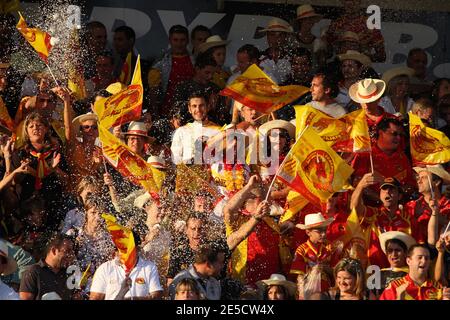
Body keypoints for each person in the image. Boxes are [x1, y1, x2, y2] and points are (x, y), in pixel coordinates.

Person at [224, 175, 278, 285]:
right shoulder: (238, 221)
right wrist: (248, 186)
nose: (267, 204)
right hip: (244, 284)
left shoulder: (271, 222)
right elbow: (228, 209)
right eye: (262, 200)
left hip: (271, 286)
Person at [351, 175, 412, 267]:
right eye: (384, 189)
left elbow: (416, 250)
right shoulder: (372, 214)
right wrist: (360, 186)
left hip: (400, 273)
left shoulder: (408, 219)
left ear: (399, 196)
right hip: (374, 274)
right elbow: (354, 209)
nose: (387, 192)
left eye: (392, 189)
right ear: (379, 195)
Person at [351, 117, 416, 203]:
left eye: (400, 135)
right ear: (381, 133)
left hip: (396, 210)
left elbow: (411, 184)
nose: (398, 138)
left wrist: (400, 194)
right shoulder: (365, 155)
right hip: (370, 210)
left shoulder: (402, 157)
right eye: (394, 134)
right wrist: (382, 200)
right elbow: (357, 184)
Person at [89, 231, 163, 300]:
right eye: (120, 249)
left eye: (128, 249)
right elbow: (95, 298)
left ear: (137, 249)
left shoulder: (149, 267)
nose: (123, 253)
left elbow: (156, 296)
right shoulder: (105, 268)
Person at [149, 25, 194, 117]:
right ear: (170, 40)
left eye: (182, 40)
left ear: (187, 41)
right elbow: (153, 91)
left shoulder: (195, 60)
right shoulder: (160, 62)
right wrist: (155, 114)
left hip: (193, 111)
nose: (179, 44)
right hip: (167, 112)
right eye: (175, 40)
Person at [290, 212, 339, 297]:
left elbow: (336, 271)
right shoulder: (301, 250)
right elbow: (300, 276)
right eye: (319, 231)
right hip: (308, 290)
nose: (323, 234)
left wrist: (325, 269)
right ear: (308, 232)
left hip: (326, 290)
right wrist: (302, 293)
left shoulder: (329, 248)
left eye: (324, 230)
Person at [380, 244, 448, 300]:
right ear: (408, 261)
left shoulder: (438, 288)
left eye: (427, 258)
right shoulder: (394, 287)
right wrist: (399, 298)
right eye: (420, 257)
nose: (424, 261)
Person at [19, 234, 76, 300]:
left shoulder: (69, 274)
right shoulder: (33, 272)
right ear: (54, 250)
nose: (71, 255)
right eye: (67, 251)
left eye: (72, 251)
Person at [171, 93, 221, 165]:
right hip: (187, 174)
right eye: (194, 106)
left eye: (201, 106)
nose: (198, 109)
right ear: (189, 109)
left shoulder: (218, 131)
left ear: (208, 107)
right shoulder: (181, 131)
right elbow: (175, 159)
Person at [406, 165, 450, 244]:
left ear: (436, 182)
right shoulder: (411, 205)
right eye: (418, 178)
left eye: (423, 178)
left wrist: (436, 214)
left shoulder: (448, 205)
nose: (419, 181)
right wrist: (414, 216)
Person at [348, 78, 397, 144]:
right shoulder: (352, 122)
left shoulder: (392, 120)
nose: (366, 105)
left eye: (370, 102)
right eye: (363, 102)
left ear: (378, 100)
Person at [374, 231, 416, 297]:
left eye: (398, 250)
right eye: (390, 251)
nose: (394, 254)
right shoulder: (378, 274)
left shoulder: (412, 275)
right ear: (386, 254)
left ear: (405, 253)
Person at [259, 18, 294, 84]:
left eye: (280, 35)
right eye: (272, 35)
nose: (276, 39)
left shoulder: (293, 58)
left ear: (285, 37)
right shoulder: (258, 58)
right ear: (267, 37)